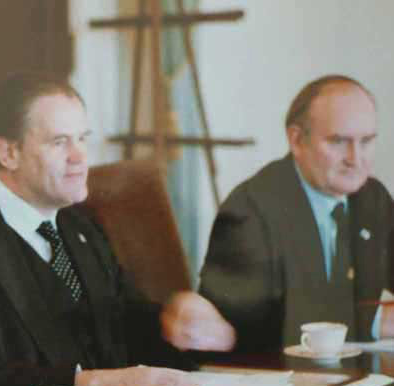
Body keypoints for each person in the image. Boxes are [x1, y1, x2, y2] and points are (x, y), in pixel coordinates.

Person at [0, 72, 197, 386]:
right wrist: (90, 383)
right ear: (9, 152)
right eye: (60, 142)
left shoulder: (80, 223)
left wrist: (177, 322)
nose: (80, 157)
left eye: (83, 139)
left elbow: (122, 324)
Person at [165, 75, 394, 352]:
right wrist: (374, 321)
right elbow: (255, 333)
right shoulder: (249, 211)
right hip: (270, 381)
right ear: (296, 140)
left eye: (367, 141)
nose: (356, 159)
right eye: (338, 142)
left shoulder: (372, 197)